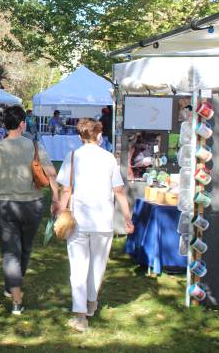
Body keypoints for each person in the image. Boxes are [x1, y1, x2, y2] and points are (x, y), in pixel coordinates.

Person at [56, 119, 134, 332]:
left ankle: (81, 314)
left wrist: (61, 211)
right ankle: (90, 303)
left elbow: (66, 190)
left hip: (79, 220)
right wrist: (127, 216)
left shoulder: (73, 157)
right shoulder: (108, 158)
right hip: (102, 221)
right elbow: (119, 190)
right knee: (97, 266)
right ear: (98, 135)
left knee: (78, 268)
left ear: (81, 136)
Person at [0, 105, 59, 316]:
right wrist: (56, 197)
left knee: (11, 252)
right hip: (32, 204)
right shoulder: (34, 145)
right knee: (24, 249)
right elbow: (51, 173)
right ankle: (15, 292)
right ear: (22, 123)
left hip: (6, 204)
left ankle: (14, 289)